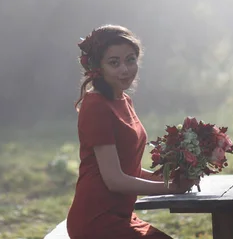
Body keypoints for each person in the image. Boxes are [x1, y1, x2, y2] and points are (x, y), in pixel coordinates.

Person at [66, 25, 197, 239]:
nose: (125, 70)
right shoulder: (96, 105)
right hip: (96, 220)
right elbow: (115, 180)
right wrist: (172, 187)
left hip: (122, 215)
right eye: (114, 63)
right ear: (97, 67)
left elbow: (130, 170)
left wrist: (175, 177)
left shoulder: (123, 99)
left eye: (130, 59)